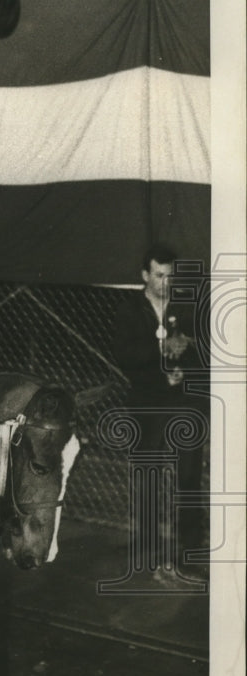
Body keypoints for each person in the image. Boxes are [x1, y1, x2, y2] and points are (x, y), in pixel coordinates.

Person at [111, 243, 208, 584]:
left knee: (190, 477)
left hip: (183, 403)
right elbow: (125, 356)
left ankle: (189, 554)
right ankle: (147, 551)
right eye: (159, 275)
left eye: (170, 275)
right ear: (144, 276)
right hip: (146, 405)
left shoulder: (185, 307)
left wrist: (186, 359)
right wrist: (160, 358)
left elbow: (204, 350)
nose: (165, 282)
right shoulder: (129, 310)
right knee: (147, 477)